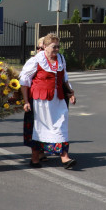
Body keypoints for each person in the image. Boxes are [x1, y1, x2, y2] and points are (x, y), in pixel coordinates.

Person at [20, 33, 78, 169]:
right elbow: (24, 81)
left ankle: (65, 157)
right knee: (39, 129)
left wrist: (70, 93)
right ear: (45, 47)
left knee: (61, 125)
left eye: (58, 47)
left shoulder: (61, 59)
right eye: (54, 47)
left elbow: (64, 79)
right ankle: (35, 158)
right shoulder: (37, 60)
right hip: (40, 101)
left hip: (57, 100)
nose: (56, 50)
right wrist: (26, 101)